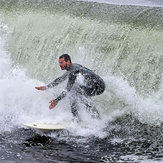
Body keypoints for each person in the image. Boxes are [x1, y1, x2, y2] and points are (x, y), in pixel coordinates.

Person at [35, 54, 105, 118]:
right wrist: (47, 87)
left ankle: (76, 118)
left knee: (74, 92)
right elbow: (60, 79)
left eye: (62, 62)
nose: (60, 64)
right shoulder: (73, 66)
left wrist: (56, 100)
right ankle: (95, 114)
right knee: (79, 92)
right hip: (99, 83)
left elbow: (67, 89)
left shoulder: (73, 71)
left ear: (68, 62)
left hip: (99, 86)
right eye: (59, 62)